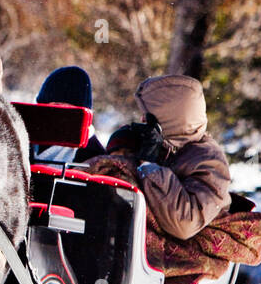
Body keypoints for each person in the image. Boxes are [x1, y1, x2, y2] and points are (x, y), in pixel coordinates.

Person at [105, 75, 231, 241]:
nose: (142, 120)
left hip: (178, 260)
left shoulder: (209, 160)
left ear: (169, 119)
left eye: (148, 116)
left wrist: (150, 166)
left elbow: (185, 223)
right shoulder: (166, 147)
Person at [32, 65, 105, 164]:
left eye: (62, 110)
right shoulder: (27, 139)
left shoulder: (93, 153)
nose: (54, 116)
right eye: (49, 108)